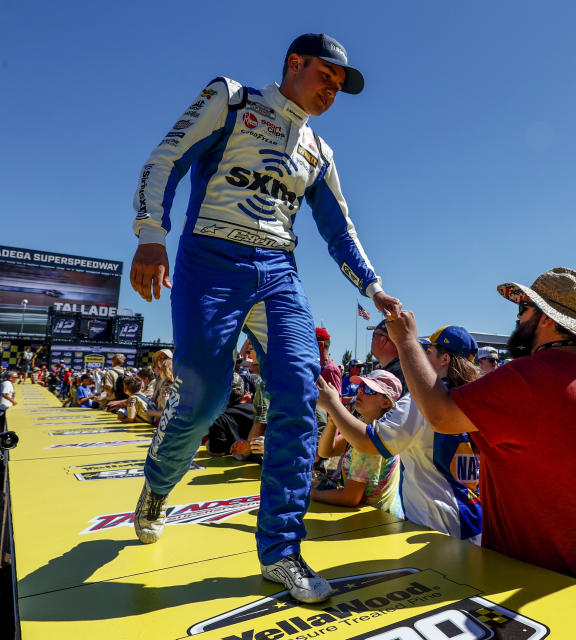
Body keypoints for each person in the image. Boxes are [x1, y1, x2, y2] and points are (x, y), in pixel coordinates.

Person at [127, 32, 400, 603]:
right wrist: (152, 235)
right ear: (294, 63)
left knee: (303, 396)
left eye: (340, 85)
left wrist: (374, 288)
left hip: (278, 272)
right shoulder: (231, 99)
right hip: (209, 260)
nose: (332, 90)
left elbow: (340, 229)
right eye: (325, 75)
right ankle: (157, 485)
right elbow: (167, 157)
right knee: (204, 396)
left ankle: (281, 551)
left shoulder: (318, 151)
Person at [384, 268, 576, 597]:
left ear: (547, 319)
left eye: (523, 309)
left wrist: (405, 342)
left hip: (541, 585)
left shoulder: (529, 375)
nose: (516, 319)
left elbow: (441, 415)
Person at [315, 326, 482, 543]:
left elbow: (367, 444)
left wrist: (331, 403)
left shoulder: (423, 399)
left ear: (445, 359)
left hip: (439, 524)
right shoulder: (470, 396)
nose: (419, 357)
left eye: (428, 352)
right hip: (471, 517)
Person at [312, 369, 402, 518]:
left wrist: (311, 493)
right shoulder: (365, 431)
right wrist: (332, 420)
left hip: (374, 523)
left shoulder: (372, 441)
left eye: (368, 390)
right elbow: (325, 452)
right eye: (360, 387)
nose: (360, 392)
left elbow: (350, 497)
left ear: (386, 402)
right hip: (371, 519)